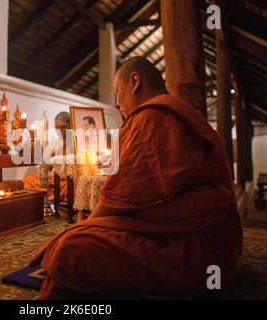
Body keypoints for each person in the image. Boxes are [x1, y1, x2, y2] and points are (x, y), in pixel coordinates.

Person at [29, 56, 243, 299]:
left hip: (198, 248)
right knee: (89, 230)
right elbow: (142, 197)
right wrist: (99, 221)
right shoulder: (178, 111)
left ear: (135, 81)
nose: (118, 103)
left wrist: (88, 226)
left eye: (118, 93)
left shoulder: (151, 118)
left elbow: (116, 199)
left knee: (72, 249)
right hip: (224, 246)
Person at [23, 112, 72, 202]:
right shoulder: (55, 144)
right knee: (28, 180)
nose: (59, 130)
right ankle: (45, 196)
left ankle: (45, 197)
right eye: (57, 127)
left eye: (63, 126)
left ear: (71, 126)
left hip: (67, 181)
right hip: (53, 180)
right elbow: (47, 168)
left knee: (69, 187)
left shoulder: (76, 143)